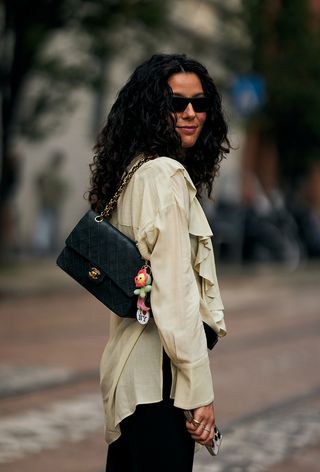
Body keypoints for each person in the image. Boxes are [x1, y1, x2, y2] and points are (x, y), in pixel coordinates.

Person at [88, 53, 230, 472]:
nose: (190, 113)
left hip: (136, 378)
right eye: (176, 103)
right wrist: (199, 391)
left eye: (200, 104)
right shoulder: (164, 175)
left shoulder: (136, 170)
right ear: (153, 109)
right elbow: (175, 297)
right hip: (159, 382)